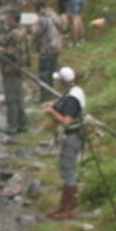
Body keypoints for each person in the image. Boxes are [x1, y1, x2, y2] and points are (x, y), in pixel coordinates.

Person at [43, 66, 85, 219]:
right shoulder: (76, 91)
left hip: (72, 137)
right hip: (74, 136)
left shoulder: (71, 99)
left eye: (59, 81)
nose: (57, 83)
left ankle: (70, 209)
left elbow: (67, 121)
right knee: (67, 169)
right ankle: (63, 207)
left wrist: (51, 112)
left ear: (63, 82)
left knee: (68, 172)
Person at [0, 11, 30, 133]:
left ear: (13, 20)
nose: (5, 20)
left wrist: (2, 50)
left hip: (11, 69)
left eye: (7, 18)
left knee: (11, 99)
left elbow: (17, 51)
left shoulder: (16, 33)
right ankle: (22, 125)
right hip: (15, 69)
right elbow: (7, 41)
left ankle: (12, 126)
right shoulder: (16, 31)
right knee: (19, 98)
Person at [32, 2, 63, 103]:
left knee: (44, 73)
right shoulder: (55, 15)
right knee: (52, 72)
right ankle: (52, 94)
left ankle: (45, 97)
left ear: (39, 9)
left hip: (47, 48)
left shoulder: (42, 19)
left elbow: (36, 33)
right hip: (56, 46)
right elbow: (62, 26)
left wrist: (32, 27)